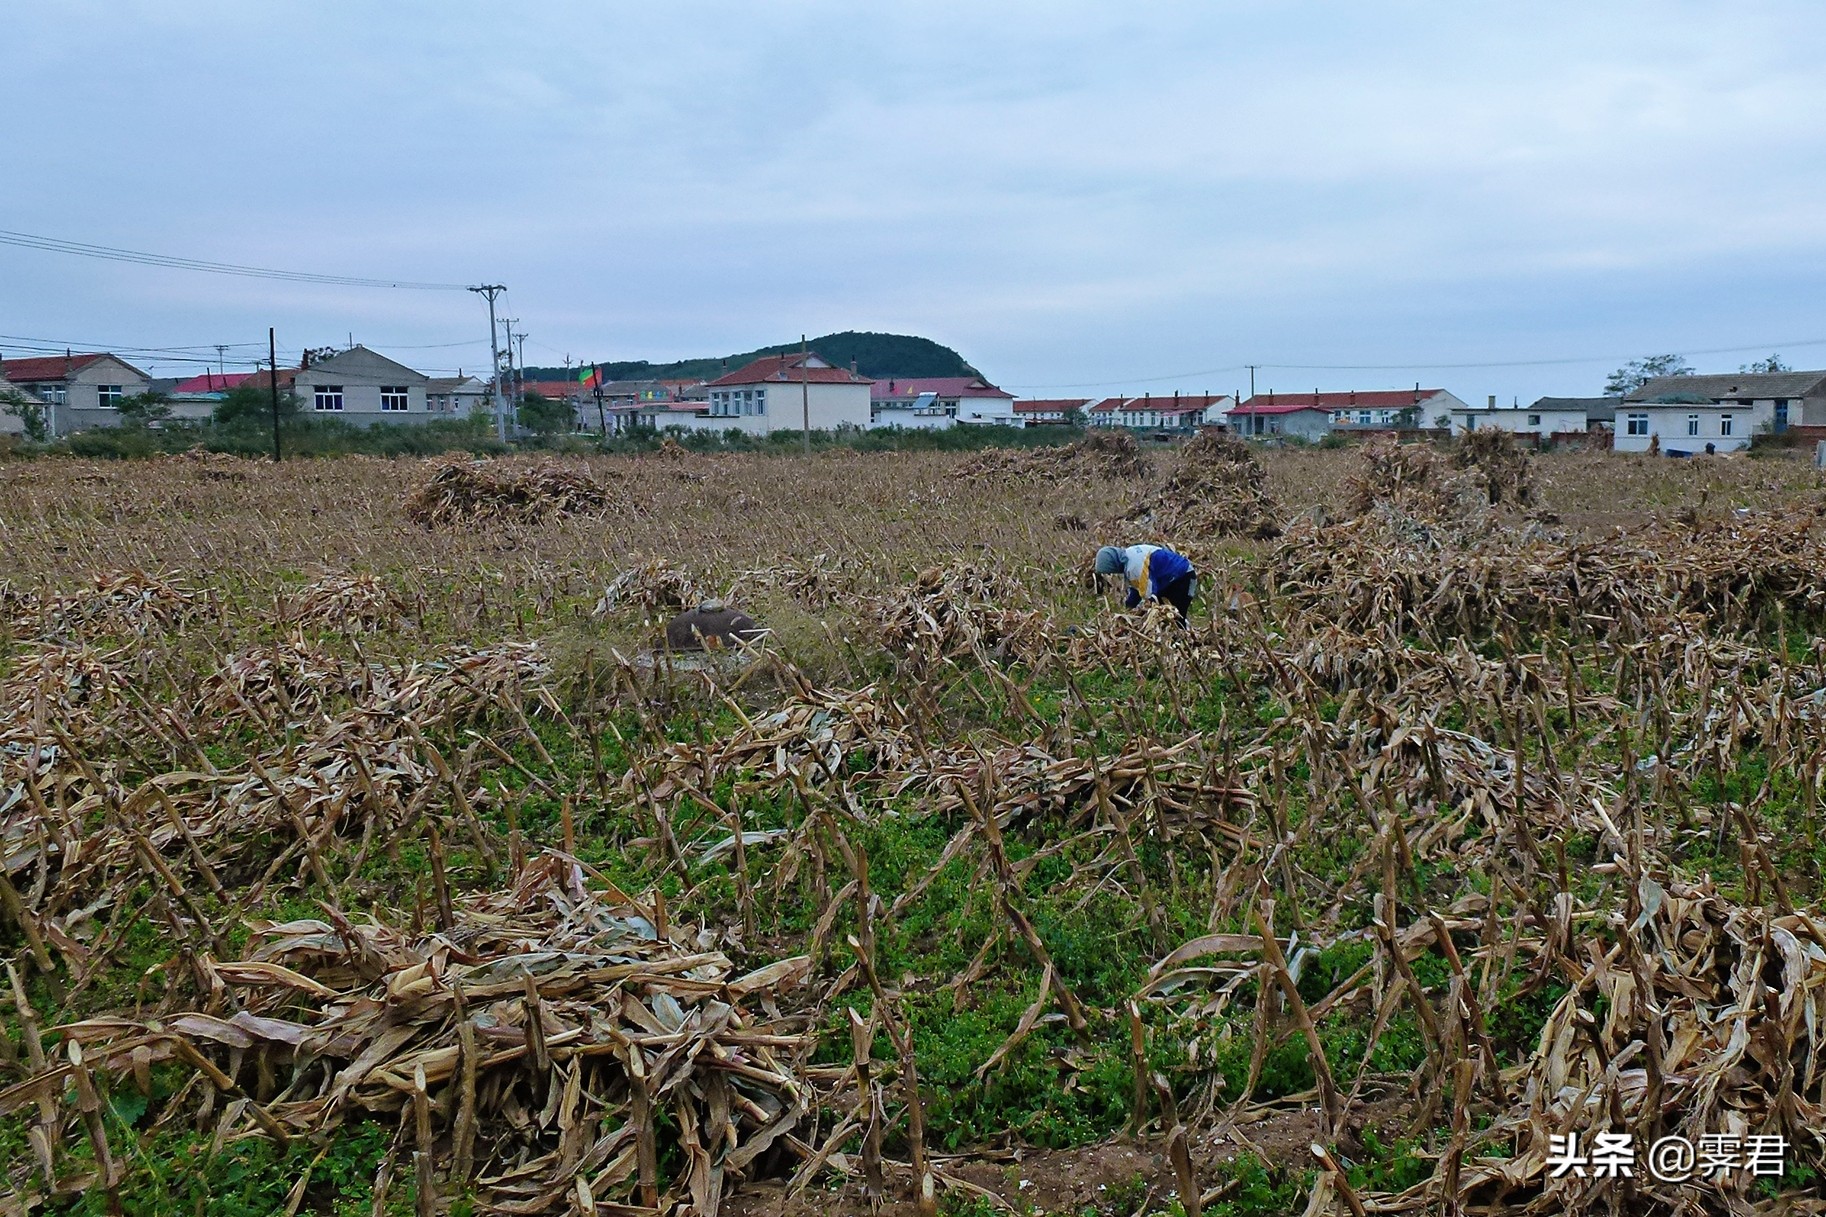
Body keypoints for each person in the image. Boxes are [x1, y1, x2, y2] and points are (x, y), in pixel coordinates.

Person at [1093, 544, 1198, 621]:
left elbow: (1150, 594)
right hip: (1171, 580)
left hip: (1182, 577)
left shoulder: (1133, 566)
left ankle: (1185, 645)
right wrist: (1129, 607)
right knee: (1169, 616)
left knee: (1175, 616)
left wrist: (1141, 614)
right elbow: (1136, 589)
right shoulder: (1129, 557)